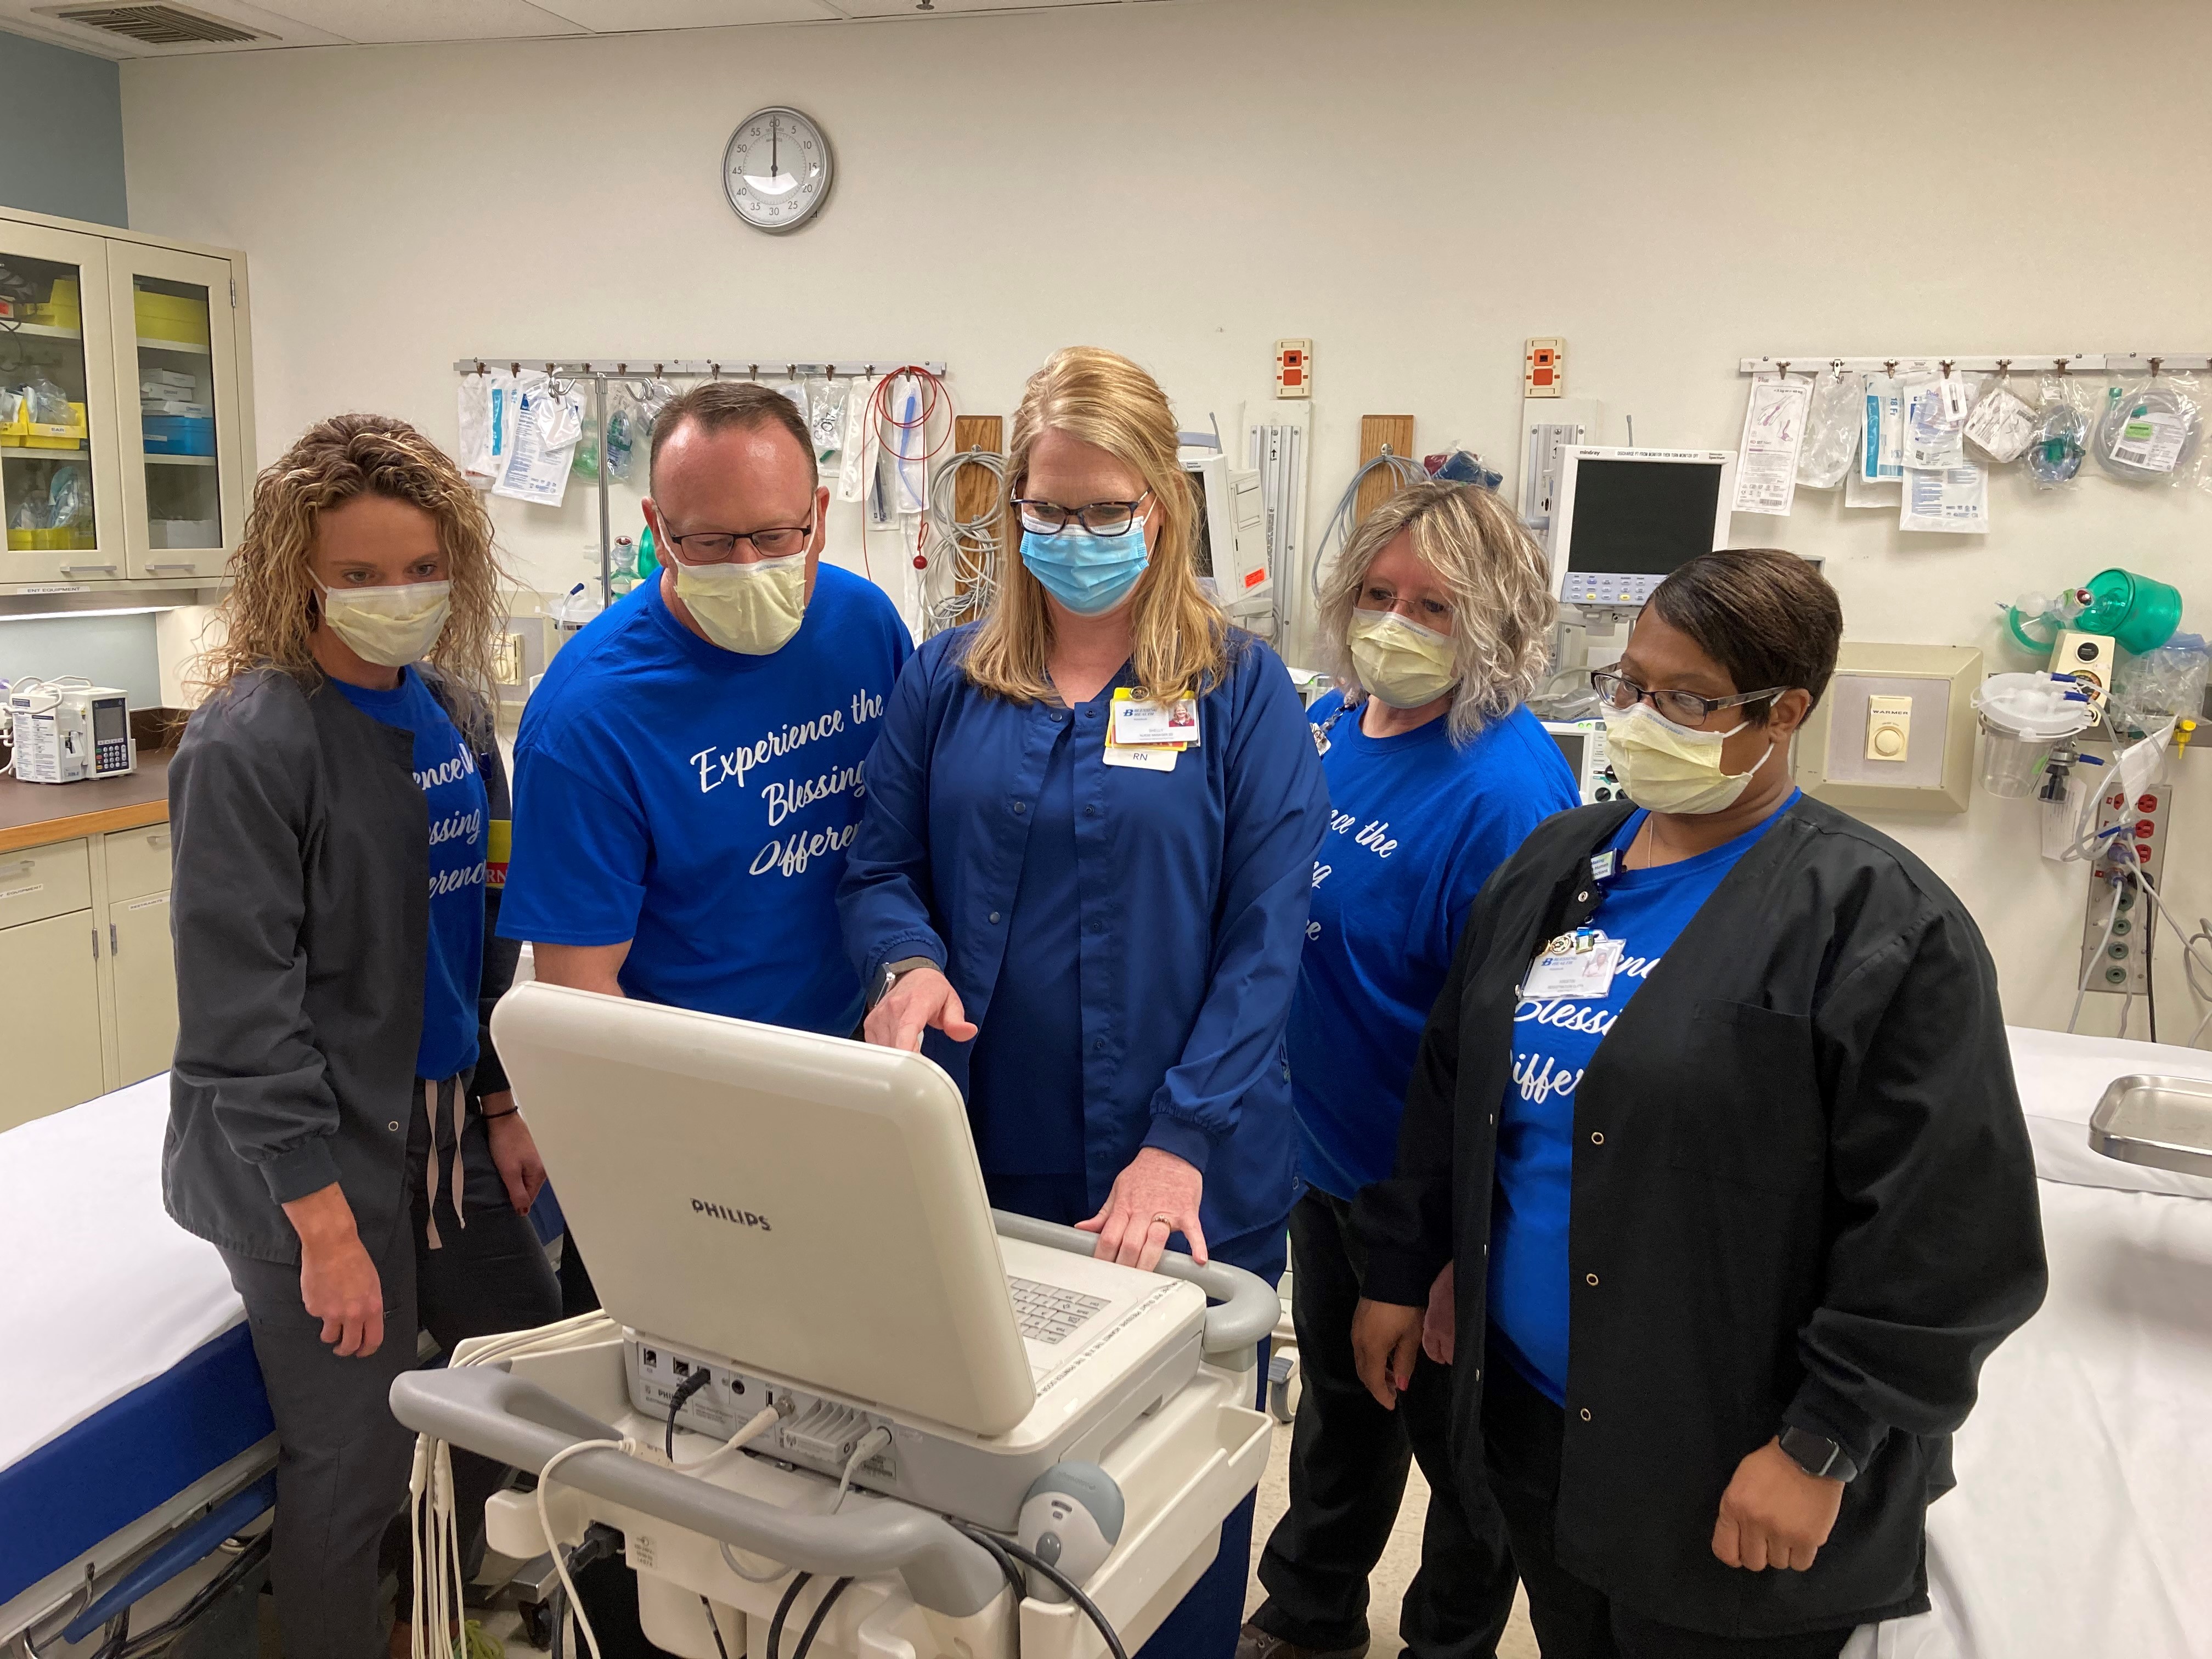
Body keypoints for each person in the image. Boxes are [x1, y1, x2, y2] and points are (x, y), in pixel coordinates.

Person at [1350, 549, 2047, 1658]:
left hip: (1737, 1458)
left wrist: (1825, 1443)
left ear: (1786, 713)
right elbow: (1456, 1082)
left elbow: (1951, 1236)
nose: (1641, 719)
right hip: (1540, 1420)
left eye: (1687, 699)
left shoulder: (1878, 924)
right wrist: (1407, 1264)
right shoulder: (1559, 865)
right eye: (1630, 687)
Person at [840, 345, 1330, 1657]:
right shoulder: (949, 679)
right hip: (982, 1150)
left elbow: (1265, 937)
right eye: (1048, 511)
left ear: (1161, 509)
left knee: (1166, 1505)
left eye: (1106, 512)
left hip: (1188, 1173)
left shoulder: (1238, 691)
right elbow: (879, 864)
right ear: (1012, 514)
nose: (1074, 536)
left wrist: (1179, 1143)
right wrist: (907, 962)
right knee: (994, 1494)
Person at [165, 414, 561, 1659]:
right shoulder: (252, 743)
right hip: (314, 1163)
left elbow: (480, 924)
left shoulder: (448, 706)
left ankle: (461, 1612)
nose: (399, 597)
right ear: (300, 577)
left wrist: (500, 1102)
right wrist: (324, 1227)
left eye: (420, 569)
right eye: (360, 574)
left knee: (532, 1380)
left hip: (439, 1121)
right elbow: (243, 1012)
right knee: (350, 1462)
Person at [1242, 481, 1578, 1659]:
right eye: (1380, 596)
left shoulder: (1507, 792)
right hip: (1323, 1156)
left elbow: (1501, 1053)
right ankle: (1311, 1619)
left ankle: (1447, 1644)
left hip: (1428, 1188)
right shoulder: (1339, 724)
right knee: (1340, 1409)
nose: (1396, 623)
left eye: (1434, 606)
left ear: (1493, 621)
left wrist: (1437, 1250)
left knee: (1464, 1457)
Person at [498, 379, 911, 1307]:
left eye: (775, 536)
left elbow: (902, 841)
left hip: (851, 1088)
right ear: (655, 527)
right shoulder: (591, 717)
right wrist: (683, 1187)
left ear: (820, 512)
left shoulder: (864, 625)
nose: (748, 563)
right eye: (709, 542)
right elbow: (580, 1000)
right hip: (689, 1130)